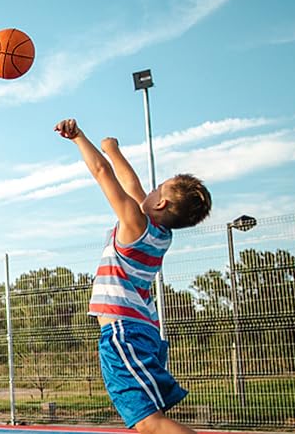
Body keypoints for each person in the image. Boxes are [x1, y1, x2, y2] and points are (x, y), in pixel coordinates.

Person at [55, 119, 211, 434]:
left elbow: (103, 174)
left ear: (161, 202)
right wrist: (114, 150)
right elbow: (132, 185)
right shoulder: (161, 234)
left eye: (156, 189)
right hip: (144, 333)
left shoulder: (135, 225)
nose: (147, 191)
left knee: (148, 422)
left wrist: (79, 138)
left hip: (123, 333)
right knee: (147, 421)